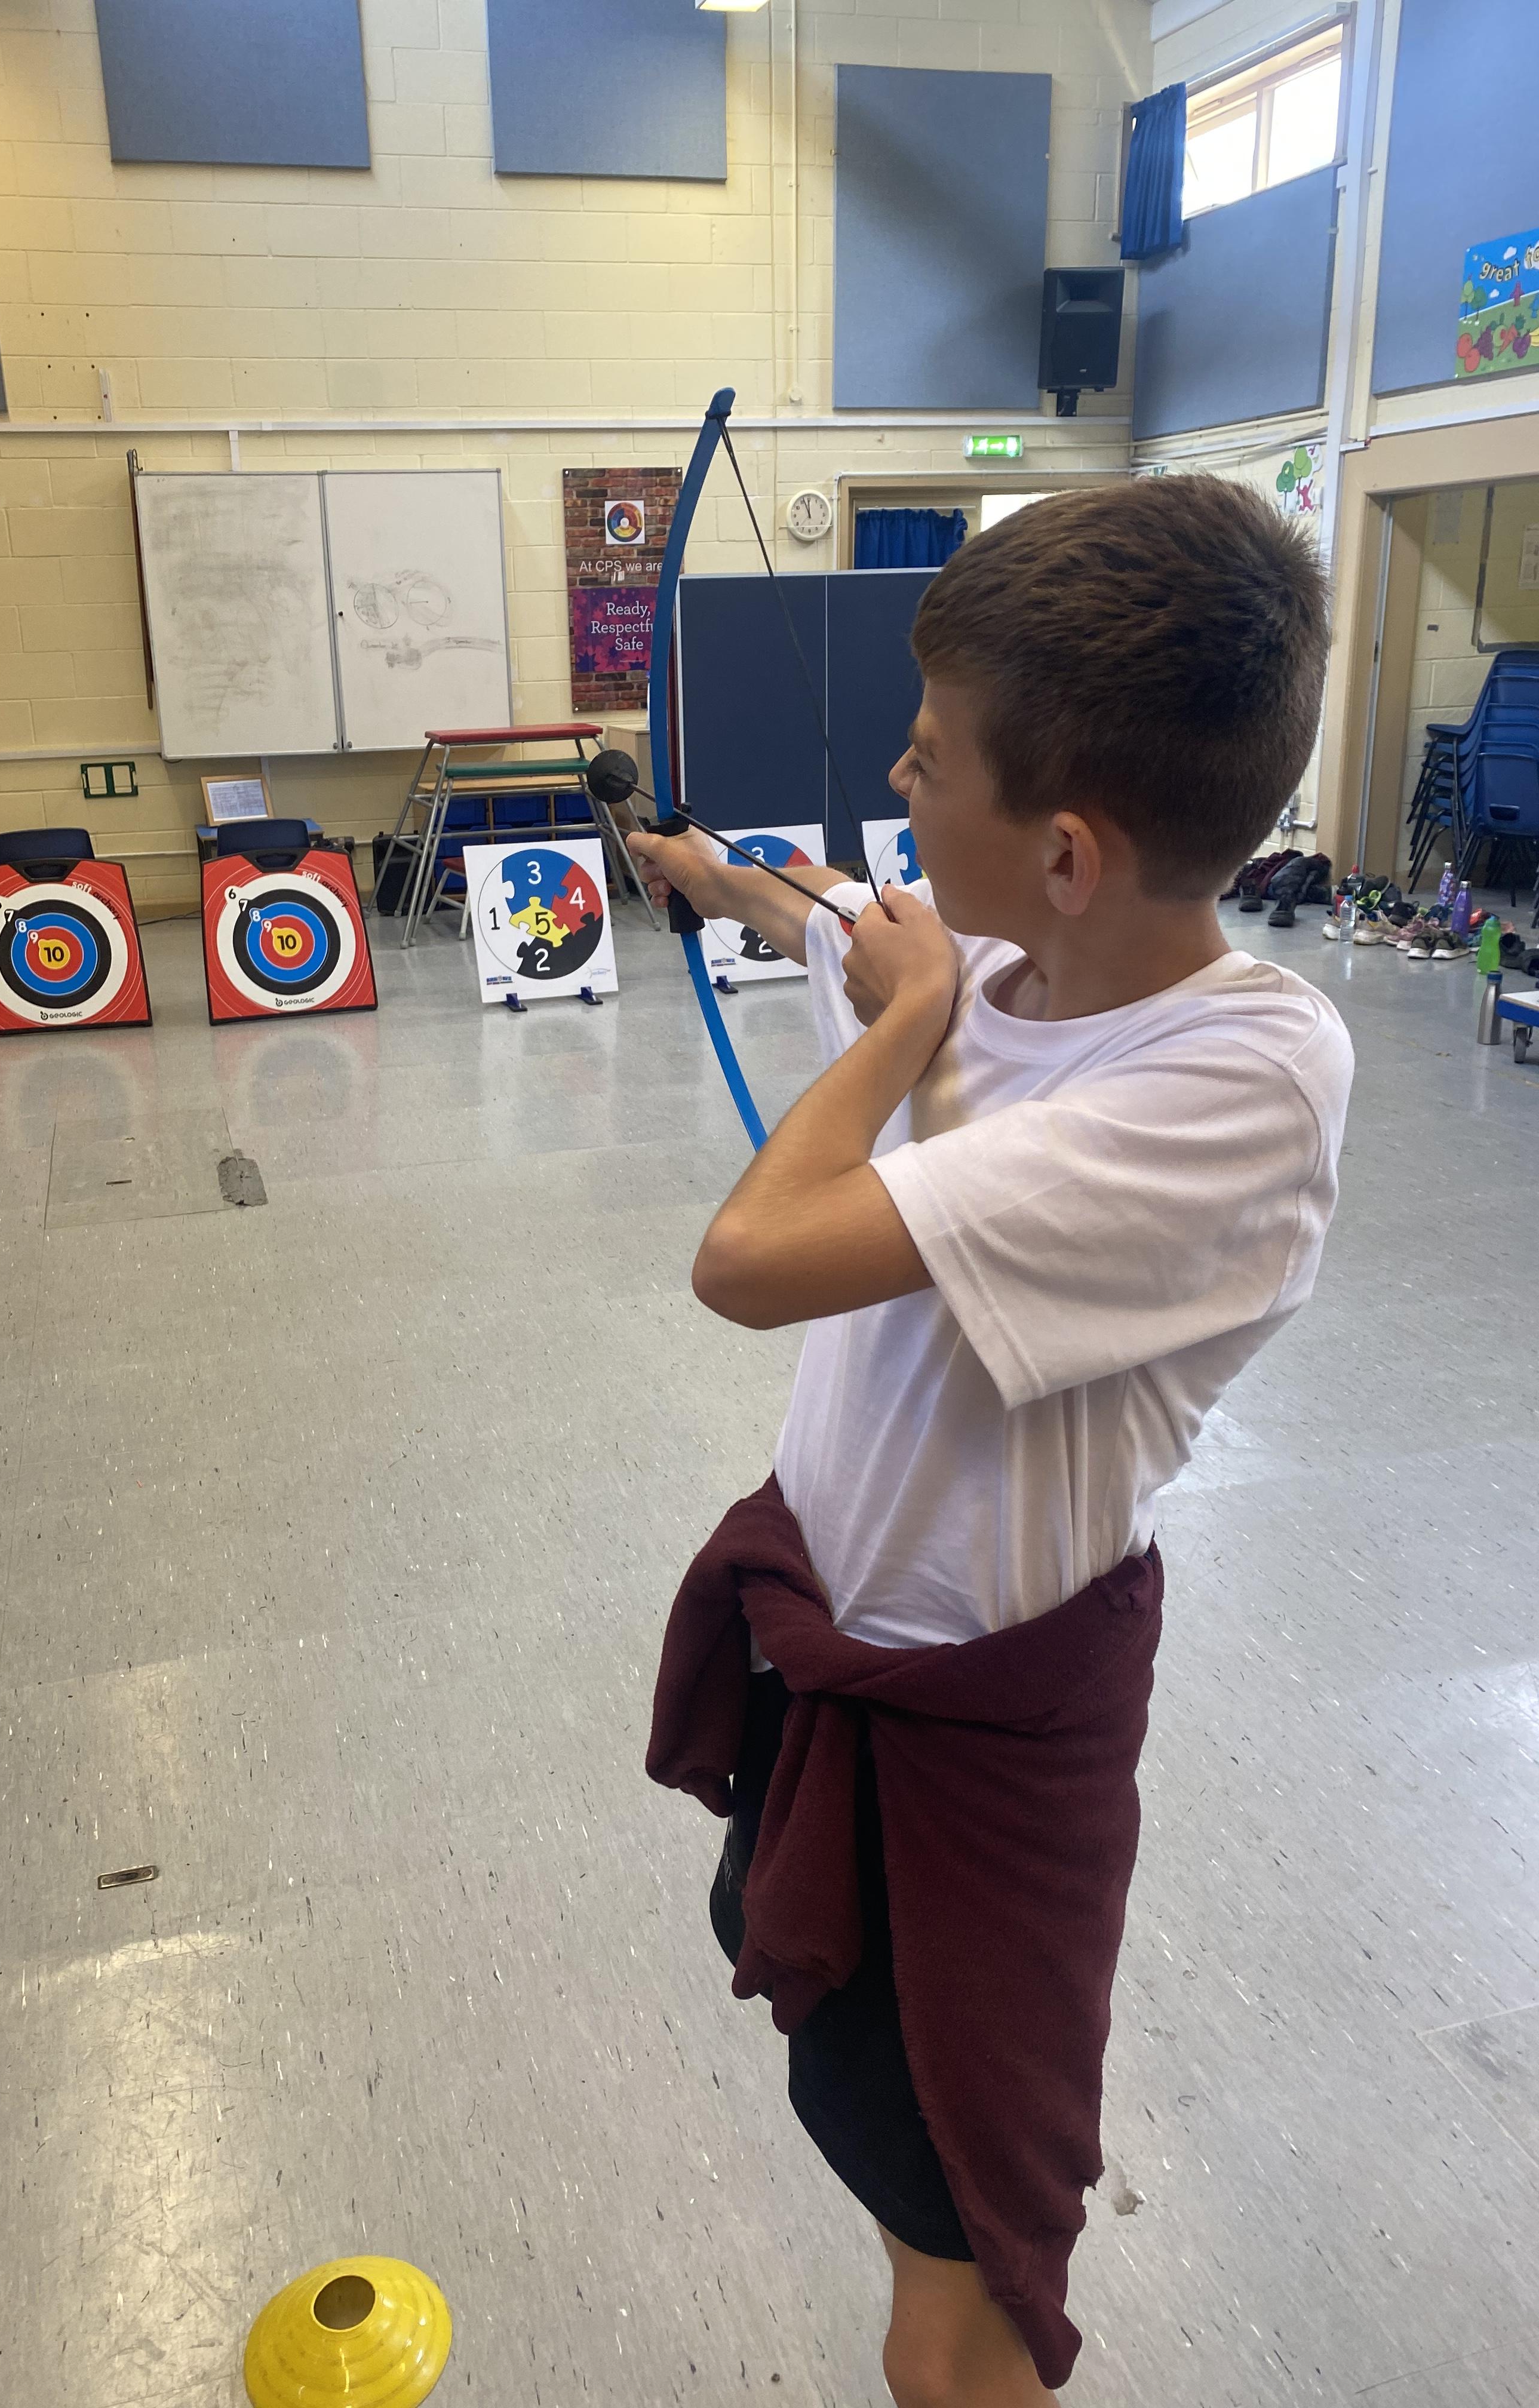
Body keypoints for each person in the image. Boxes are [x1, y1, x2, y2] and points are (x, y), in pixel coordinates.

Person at [625, 477, 1354, 2407]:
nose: (894, 775)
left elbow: (749, 1261)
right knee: (875, 2145)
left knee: (961, 2296)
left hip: (975, 1753)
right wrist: (703, 870)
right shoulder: (1001, 962)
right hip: (837, 1674)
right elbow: (833, 916)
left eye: (927, 757)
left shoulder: (1245, 1078)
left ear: (1067, 852)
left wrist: (897, 1029)